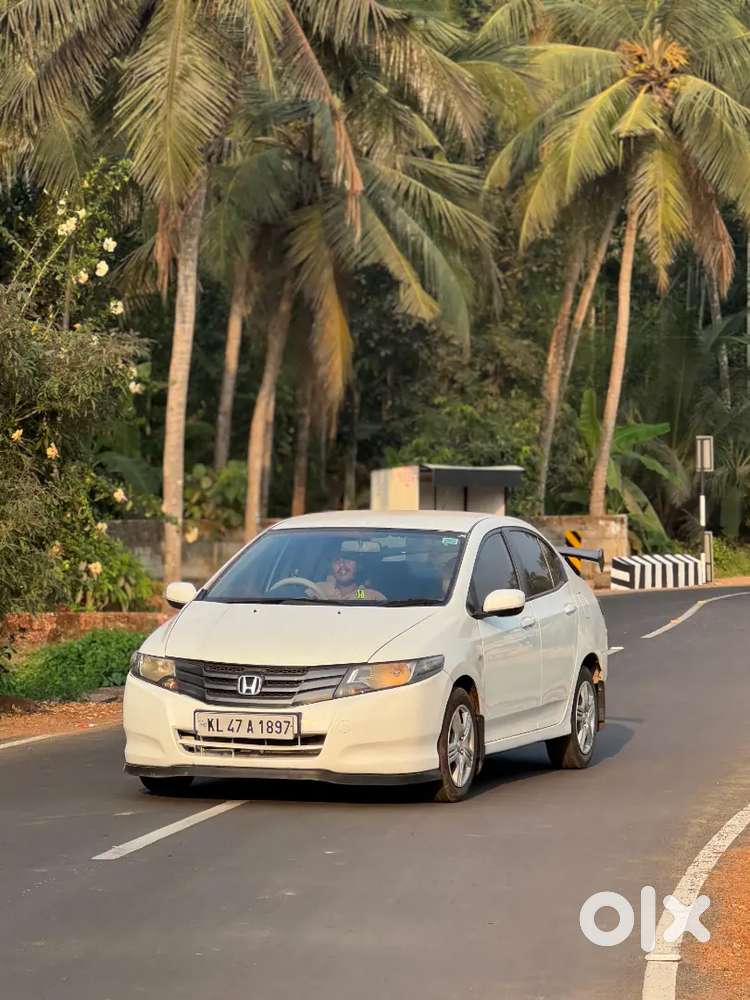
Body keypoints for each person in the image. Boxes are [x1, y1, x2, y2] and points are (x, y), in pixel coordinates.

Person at [314, 554, 386, 602]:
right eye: (337, 560)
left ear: (358, 566)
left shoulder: (373, 597)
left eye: (347, 559)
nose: (342, 565)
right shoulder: (318, 589)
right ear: (331, 567)